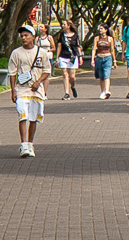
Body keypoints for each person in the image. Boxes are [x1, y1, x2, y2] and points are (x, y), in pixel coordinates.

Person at [6, 20, 53, 157]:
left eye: (26, 35)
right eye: (21, 36)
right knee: (22, 115)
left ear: (33, 36)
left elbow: (46, 70)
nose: (23, 38)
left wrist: (39, 82)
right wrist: (13, 90)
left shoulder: (41, 53)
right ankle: (23, 144)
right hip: (22, 90)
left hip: (36, 91)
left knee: (33, 118)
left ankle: (30, 144)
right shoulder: (16, 53)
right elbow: (12, 73)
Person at [56, 16, 82, 100]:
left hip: (73, 57)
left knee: (72, 76)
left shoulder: (75, 35)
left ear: (68, 25)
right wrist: (57, 58)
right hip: (63, 56)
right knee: (64, 74)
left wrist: (80, 57)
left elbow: (78, 46)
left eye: (64, 24)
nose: (63, 25)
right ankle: (66, 93)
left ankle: (72, 86)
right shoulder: (62, 35)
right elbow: (59, 46)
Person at [92, 21, 117, 100]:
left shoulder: (110, 39)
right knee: (101, 76)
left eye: (102, 29)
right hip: (99, 57)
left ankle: (107, 90)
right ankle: (102, 91)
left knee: (107, 75)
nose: (100, 30)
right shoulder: (96, 38)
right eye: (99, 29)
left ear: (106, 30)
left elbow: (112, 50)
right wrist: (92, 59)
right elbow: (94, 49)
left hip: (107, 58)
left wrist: (114, 60)